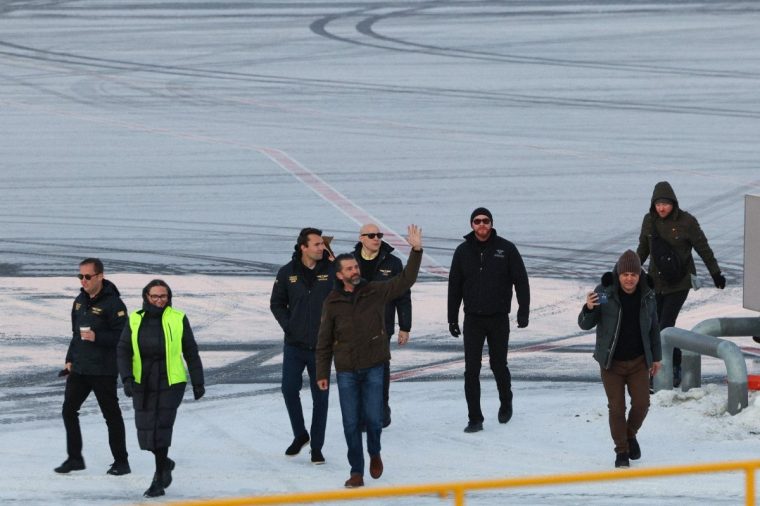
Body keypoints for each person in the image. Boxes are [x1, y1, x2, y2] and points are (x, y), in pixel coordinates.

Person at [316, 224, 423, 489]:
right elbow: (324, 341)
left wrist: (416, 250)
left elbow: (405, 281)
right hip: (346, 369)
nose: (355, 270)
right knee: (350, 422)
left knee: (374, 419)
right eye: (350, 269)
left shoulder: (374, 291)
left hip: (374, 363)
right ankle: (356, 471)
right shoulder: (332, 302)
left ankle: (374, 451)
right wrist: (321, 373)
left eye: (356, 267)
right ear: (340, 275)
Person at [117, 279, 205, 498]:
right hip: (143, 381)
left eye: (163, 296)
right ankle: (165, 462)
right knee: (145, 431)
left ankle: (158, 478)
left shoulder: (178, 318)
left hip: (170, 381)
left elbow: (190, 351)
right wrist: (126, 378)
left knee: (160, 429)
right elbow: (123, 349)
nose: (159, 300)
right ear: (146, 296)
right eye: (154, 296)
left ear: (169, 298)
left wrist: (198, 381)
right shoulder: (135, 319)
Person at [447, 207, 530, 433]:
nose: (481, 225)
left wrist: (524, 311)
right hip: (473, 319)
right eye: (477, 221)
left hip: (498, 318)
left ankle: (506, 400)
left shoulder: (506, 249)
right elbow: (454, 286)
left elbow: (521, 281)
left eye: (485, 221)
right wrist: (451, 318)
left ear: (491, 223)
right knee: (471, 369)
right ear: (471, 225)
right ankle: (475, 418)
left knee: (498, 365)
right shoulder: (462, 251)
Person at [578, 250, 662, 468]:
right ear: (618, 273)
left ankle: (629, 434)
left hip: (638, 361)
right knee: (617, 408)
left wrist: (657, 358)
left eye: (633, 274)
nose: (629, 278)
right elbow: (585, 324)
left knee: (642, 404)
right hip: (611, 363)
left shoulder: (647, 294)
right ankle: (622, 452)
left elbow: (654, 329)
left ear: (639, 274)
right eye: (625, 274)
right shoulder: (605, 292)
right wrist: (588, 308)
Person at [637, 181, 725, 386]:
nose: (661, 208)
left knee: (665, 326)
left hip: (679, 283)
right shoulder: (649, 220)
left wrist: (716, 273)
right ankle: (666, 366)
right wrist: (626, 272)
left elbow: (703, 248)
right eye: (658, 204)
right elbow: (643, 249)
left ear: (673, 203)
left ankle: (671, 369)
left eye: (665, 204)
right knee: (655, 328)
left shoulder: (687, 222)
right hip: (655, 283)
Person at [55, 258, 130, 476]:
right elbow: (75, 335)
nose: (83, 280)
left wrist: (98, 337)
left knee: (111, 416)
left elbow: (123, 337)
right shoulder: (79, 300)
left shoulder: (114, 304)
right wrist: (69, 359)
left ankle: (121, 462)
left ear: (100, 276)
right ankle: (75, 458)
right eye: (80, 276)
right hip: (80, 369)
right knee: (69, 411)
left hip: (103, 370)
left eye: (88, 276)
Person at [270, 228, 334, 464]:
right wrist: (290, 326)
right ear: (303, 247)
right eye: (317, 244)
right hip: (295, 346)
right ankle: (300, 434)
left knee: (321, 397)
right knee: (288, 389)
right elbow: (276, 303)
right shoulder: (287, 272)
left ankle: (317, 447)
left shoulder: (331, 269)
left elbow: (352, 292)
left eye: (322, 244)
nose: (321, 247)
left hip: (322, 349)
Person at [352, 223, 412, 428]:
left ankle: (381, 409)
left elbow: (403, 295)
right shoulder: (350, 262)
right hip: (355, 328)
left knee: (380, 371)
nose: (376, 238)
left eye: (379, 235)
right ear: (361, 238)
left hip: (382, 326)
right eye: (371, 235)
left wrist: (405, 326)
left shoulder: (393, 263)